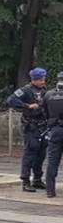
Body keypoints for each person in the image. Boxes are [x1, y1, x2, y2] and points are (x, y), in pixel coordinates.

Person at [8, 68, 48, 192]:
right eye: (41, 79)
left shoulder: (44, 91)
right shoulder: (25, 90)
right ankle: (25, 181)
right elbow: (11, 100)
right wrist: (27, 106)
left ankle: (37, 179)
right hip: (31, 126)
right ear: (34, 79)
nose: (43, 81)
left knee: (41, 154)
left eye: (43, 78)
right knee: (30, 153)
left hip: (43, 126)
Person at [42, 71, 63, 199]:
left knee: (52, 161)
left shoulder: (48, 94)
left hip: (55, 130)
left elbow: (43, 111)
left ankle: (50, 190)